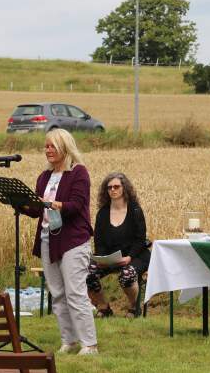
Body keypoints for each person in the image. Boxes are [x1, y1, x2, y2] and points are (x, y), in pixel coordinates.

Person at [21, 128, 98, 355]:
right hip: (48, 239)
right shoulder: (44, 176)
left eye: (52, 146)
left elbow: (75, 206)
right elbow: (36, 211)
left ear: (65, 147)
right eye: (46, 146)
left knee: (75, 292)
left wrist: (51, 203)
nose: (47, 150)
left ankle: (89, 344)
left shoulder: (79, 173)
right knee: (57, 293)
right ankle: (69, 340)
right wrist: (23, 204)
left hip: (73, 240)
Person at [86, 172, 150, 319]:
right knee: (87, 272)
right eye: (109, 188)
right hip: (111, 257)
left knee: (126, 274)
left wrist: (129, 257)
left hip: (136, 255)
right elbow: (99, 241)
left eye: (116, 186)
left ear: (124, 188)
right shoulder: (102, 213)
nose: (113, 190)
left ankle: (134, 307)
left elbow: (140, 239)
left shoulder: (135, 210)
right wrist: (102, 259)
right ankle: (104, 307)